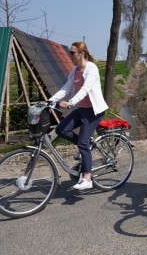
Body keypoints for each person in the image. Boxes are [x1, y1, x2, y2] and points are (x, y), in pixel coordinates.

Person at [49, 42, 108, 190]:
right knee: (61, 129)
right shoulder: (75, 70)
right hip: (82, 109)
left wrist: (71, 102)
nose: (70, 55)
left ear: (81, 54)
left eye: (72, 53)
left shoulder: (92, 68)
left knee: (82, 142)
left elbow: (85, 89)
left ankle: (87, 178)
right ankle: (85, 147)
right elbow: (66, 88)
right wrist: (50, 100)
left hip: (94, 111)